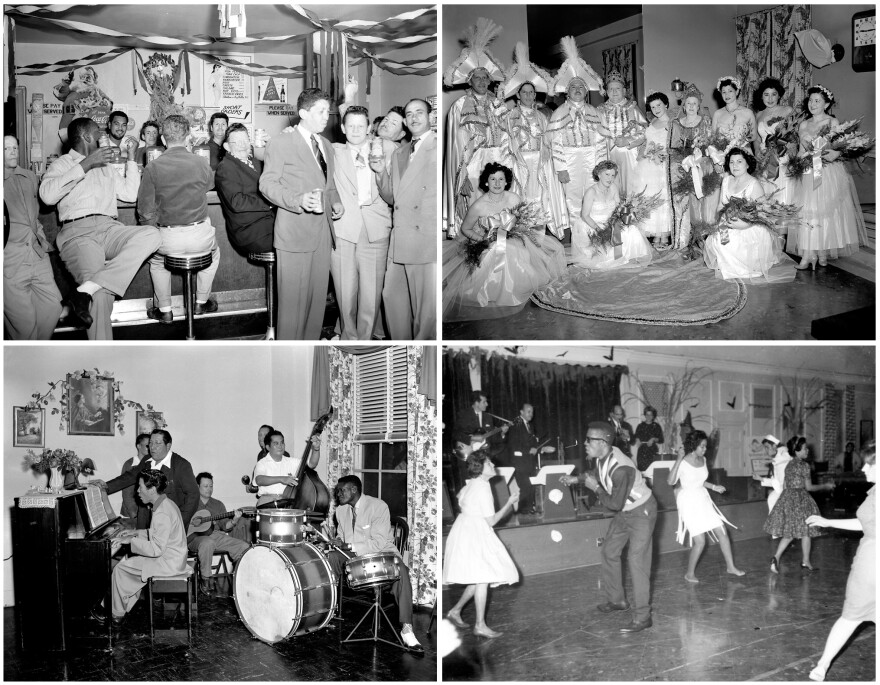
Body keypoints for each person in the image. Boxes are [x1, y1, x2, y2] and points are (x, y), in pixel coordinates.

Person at [39, 117, 162, 339]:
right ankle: (102, 354)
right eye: (98, 132)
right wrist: (85, 164)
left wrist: (132, 159)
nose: (103, 136)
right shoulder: (63, 164)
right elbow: (47, 196)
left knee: (152, 235)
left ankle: (84, 291)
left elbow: (129, 193)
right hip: (78, 233)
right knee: (101, 296)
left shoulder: (105, 165)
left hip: (109, 228)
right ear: (86, 136)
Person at [259, 88, 343, 340]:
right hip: (294, 235)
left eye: (327, 112)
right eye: (320, 112)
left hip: (322, 236)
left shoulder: (326, 145)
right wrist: (298, 200)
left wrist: (335, 201)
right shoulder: (281, 143)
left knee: (316, 305)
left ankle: (309, 352)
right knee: (292, 308)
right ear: (303, 113)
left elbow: (329, 184)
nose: (326, 117)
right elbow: (267, 184)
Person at [560, 421, 657, 632]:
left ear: (603, 442)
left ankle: (643, 617)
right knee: (609, 551)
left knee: (636, 561)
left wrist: (595, 489)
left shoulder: (621, 468)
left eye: (589, 440)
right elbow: (595, 474)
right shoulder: (604, 455)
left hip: (642, 512)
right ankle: (617, 601)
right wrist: (576, 478)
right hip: (626, 511)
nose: (585, 443)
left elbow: (614, 504)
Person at [442, 162, 566, 321]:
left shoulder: (513, 198)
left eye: (501, 179)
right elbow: (466, 229)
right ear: (486, 182)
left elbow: (523, 221)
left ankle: (517, 286)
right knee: (498, 249)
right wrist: (484, 240)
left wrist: (519, 231)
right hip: (488, 241)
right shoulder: (479, 206)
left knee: (511, 248)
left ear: (507, 181)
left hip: (514, 239)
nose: (497, 183)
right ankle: (495, 290)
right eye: (493, 179)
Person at [138, 114, 220, 323]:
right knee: (215, 253)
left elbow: (145, 212)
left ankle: (164, 309)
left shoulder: (152, 167)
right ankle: (201, 302)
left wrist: (154, 236)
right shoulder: (201, 163)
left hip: (168, 237)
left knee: (156, 261)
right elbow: (210, 186)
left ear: (163, 140)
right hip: (199, 235)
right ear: (188, 137)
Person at [328, 475, 424, 652]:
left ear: (354, 490)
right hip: (356, 555)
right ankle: (329, 609)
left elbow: (378, 544)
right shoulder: (341, 511)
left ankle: (407, 629)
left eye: (341, 490)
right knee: (331, 557)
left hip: (382, 553)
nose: (338, 494)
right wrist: (338, 541)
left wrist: (348, 545)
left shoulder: (378, 506)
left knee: (401, 570)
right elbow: (343, 535)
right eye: (337, 491)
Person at [806, 441, 875, 682]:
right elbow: (864, 524)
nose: (864, 469)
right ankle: (823, 665)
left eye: (870, 464)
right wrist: (827, 521)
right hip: (868, 563)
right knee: (851, 615)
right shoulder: (874, 491)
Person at [372, 98, 437, 340]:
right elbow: (392, 197)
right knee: (391, 296)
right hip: (400, 237)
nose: (414, 117)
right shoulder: (401, 151)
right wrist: (380, 172)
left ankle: (420, 352)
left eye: (419, 112)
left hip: (424, 238)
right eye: (409, 114)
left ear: (430, 117)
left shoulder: (440, 146)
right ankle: (402, 347)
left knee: (425, 308)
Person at [91, 469, 188, 627]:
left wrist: (130, 541)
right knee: (132, 566)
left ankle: (116, 616)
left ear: (151, 489)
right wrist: (136, 532)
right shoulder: (166, 504)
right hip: (173, 558)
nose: (137, 491)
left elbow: (156, 549)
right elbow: (159, 534)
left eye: (140, 487)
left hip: (169, 563)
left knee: (121, 569)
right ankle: (116, 608)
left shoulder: (162, 512)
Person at [330, 106, 395, 340]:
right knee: (345, 293)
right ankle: (349, 336)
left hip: (375, 229)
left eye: (361, 125)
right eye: (351, 125)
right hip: (343, 230)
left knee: (371, 295)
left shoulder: (387, 148)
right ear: (342, 128)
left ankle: (365, 340)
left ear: (369, 128)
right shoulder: (332, 151)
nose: (356, 130)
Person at [443, 18, 511, 237]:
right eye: (477, 77)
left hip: (498, 158)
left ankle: (499, 240)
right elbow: (456, 144)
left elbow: (509, 136)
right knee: (475, 203)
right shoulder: (460, 106)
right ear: (469, 80)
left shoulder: (498, 104)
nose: (482, 81)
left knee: (500, 205)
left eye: (485, 77)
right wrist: (461, 174)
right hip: (473, 162)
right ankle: (476, 242)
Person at [788, 85, 867, 269]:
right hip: (809, 171)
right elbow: (801, 150)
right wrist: (796, 164)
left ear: (826, 103)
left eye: (817, 101)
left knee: (824, 214)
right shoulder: (804, 124)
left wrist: (834, 154)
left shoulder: (832, 122)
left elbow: (840, 148)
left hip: (826, 171)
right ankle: (808, 255)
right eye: (810, 100)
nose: (812, 104)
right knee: (808, 213)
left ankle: (821, 252)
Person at [444, 447, 519, 638]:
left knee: (478, 576)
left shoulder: (473, 483)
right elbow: (492, 521)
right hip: (474, 532)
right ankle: (480, 625)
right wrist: (510, 502)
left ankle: (455, 611)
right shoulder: (484, 487)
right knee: (482, 578)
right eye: (489, 463)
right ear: (480, 467)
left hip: (465, 529)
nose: (493, 465)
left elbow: (460, 497)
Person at [546, 37, 610, 243]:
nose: (577, 90)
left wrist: (601, 167)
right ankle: (579, 240)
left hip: (592, 157)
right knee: (573, 200)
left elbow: (602, 141)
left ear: (586, 91)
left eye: (581, 87)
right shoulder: (559, 113)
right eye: (573, 87)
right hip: (570, 159)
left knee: (594, 196)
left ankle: (595, 236)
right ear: (567, 91)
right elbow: (554, 142)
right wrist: (561, 168)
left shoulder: (595, 112)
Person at [501, 42, 567, 238]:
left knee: (540, 197)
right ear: (518, 96)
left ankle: (539, 235)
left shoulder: (542, 116)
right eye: (525, 93)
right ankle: (521, 233)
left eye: (532, 92)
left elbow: (549, 140)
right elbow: (506, 143)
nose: (529, 96)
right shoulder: (510, 116)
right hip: (519, 163)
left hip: (539, 161)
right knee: (521, 197)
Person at [703, 147, 794, 282]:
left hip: (751, 226)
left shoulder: (754, 184)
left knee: (735, 245)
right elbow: (721, 205)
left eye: (739, 161)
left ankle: (746, 266)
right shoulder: (727, 180)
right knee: (717, 239)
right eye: (732, 162)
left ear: (747, 164)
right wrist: (722, 220)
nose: (735, 165)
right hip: (729, 223)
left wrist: (744, 225)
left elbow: (762, 214)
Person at [3, 134, 63, 339]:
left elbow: (36, 213)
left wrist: (41, 239)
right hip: (11, 259)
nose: (12, 152)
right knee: (24, 324)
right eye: (6, 149)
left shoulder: (29, 177)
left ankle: (35, 346)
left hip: (37, 253)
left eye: (14, 148)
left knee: (53, 307)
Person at [667, 429, 744, 582]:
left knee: (722, 532)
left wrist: (714, 487)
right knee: (700, 541)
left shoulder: (702, 460)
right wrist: (678, 459)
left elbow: (699, 480)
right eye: (702, 446)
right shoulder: (683, 462)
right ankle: (689, 573)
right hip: (688, 501)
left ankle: (731, 567)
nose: (705, 449)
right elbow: (670, 481)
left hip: (703, 498)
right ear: (694, 445)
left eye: (705, 446)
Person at [96, 429, 200, 530]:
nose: (152, 447)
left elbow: (193, 495)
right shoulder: (147, 460)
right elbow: (130, 476)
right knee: (142, 545)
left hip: (169, 521)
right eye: (150, 443)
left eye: (157, 443)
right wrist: (106, 486)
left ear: (168, 446)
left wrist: (180, 521)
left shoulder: (181, 465)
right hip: (145, 518)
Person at [763, 435, 834, 572]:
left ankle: (780, 558)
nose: (807, 451)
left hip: (787, 498)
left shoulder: (789, 465)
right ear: (797, 451)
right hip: (800, 500)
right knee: (804, 530)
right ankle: (803, 561)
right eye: (805, 448)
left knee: (793, 532)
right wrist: (826, 486)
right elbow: (809, 488)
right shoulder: (804, 465)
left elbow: (784, 485)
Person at [575, 160, 652, 269]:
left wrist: (627, 215)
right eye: (607, 174)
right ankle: (615, 256)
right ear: (598, 174)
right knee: (605, 245)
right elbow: (585, 215)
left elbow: (619, 208)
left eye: (612, 175)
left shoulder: (613, 188)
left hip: (611, 221)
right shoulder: (591, 192)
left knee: (631, 229)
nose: (610, 178)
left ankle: (630, 255)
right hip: (593, 224)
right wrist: (599, 230)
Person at [215, 123, 275, 255]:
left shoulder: (256, 162)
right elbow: (237, 201)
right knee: (296, 241)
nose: (243, 145)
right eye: (237, 142)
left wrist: (272, 145)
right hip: (250, 232)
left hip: (267, 225)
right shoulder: (226, 167)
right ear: (227, 146)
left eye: (245, 140)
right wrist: (270, 202)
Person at [187, 472, 251, 596]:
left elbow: (225, 527)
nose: (209, 489)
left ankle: (239, 579)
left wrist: (234, 520)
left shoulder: (218, 504)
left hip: (215, 535)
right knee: (207, 542)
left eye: (211, 486)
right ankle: (206, 579)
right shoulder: (189, 503)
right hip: (194, 538)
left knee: (243, 546)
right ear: (197, 486)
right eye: (205, 486)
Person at [668, 84, 714, 253]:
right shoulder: (677, 124)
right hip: (683, 167)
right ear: (684, 106)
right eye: (689, 103)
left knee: (700, 203)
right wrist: (684, 162)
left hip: (701, 167)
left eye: (695, 103)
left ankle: (701, 238)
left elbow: (710, 145)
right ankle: (683, 238)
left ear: (699, 105)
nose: (692, 106)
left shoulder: (705, 122)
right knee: (684, 204)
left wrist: (698, 159)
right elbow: (673, 148)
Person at [631, 92, 673, 246]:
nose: (656, 109)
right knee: (651, 197)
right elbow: (647, 142)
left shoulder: (672, 123)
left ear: (666, 105)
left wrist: (662, 154)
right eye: (653, 106)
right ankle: (655, 233)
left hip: (663, 164)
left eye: (659, 105)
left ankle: (664, 234)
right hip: (649, 164)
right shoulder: (653, 122)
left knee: (663, 198)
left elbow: (673, 145)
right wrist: (645, 153)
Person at [597, 70, 647, 194]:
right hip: (606, 154)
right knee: (610, 188)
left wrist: (627, 140)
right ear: (606, 92)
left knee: (631, 187)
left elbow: (645, 131)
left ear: (624, 91)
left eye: (618, 88)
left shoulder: (632, 108)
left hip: (629, 154)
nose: (614, 92)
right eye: (611, 89)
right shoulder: (600, 111)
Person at [254, 429, 320, 507]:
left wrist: (316, 449)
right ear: (268, 447)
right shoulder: (262, 463)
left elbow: (312, 464)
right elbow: (259, 480)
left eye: (282, 442)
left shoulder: (291, 461)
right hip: (267, 503)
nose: (280, 446)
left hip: (287, 503)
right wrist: (282, 479)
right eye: (276, 443)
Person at [454, 391, 510, 462]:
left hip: (484, 456)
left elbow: (492, 438)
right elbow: (456, 434)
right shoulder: (464, 415)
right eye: (484, 402)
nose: (487, 404)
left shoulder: (488, 417)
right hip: (469, 456)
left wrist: (502, 433)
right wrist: (472, 438)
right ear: (477, 403)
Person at [507, 403, 540, 514]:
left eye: (532, 412)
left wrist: (536, 448)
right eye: (528, 411)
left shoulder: (530, 426)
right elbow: (513, 444)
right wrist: (528, 451)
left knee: (531, 487)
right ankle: (523, 511)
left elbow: (533, 442)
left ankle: (529, 509)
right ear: (521, 412)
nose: (531, 414)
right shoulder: (515, 425)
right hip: (520, 463)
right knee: (525, 486)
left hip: (530, 462)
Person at [711, 76, 756, 153]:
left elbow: (754, 136)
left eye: (730, 91)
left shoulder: (748, 112)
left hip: (743, 153)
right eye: (724, 92)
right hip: (722, 154)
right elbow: (713, 138)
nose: (727, 95)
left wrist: (739, 141)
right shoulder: (717, 114)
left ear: (737, 91)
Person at [120, 433, 151, 519]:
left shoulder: (153, 463)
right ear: (138, 446)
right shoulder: (130, 464)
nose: (150, 448)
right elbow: (127, 494)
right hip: (133, 513)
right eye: (147, 446)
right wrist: (134, 514)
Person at [633, 406, 664, 472]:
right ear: (645, 415)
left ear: (653, 416)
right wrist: (637, 439)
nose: (649, 416)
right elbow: (635, 437)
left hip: (652, 450)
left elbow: (661, 439)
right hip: (642, 451)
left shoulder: (656, 426)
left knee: (653, 470)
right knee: (643, 471)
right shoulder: (640, 426)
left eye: (651, 415)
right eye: (647, 414)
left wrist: (653, 439)